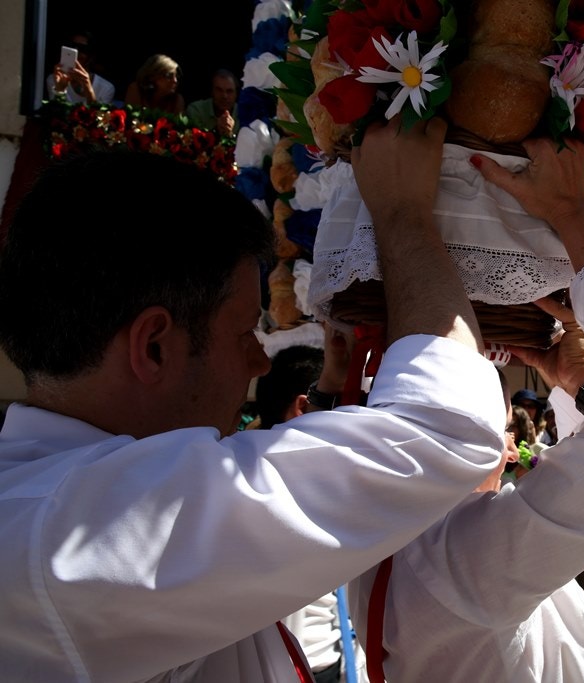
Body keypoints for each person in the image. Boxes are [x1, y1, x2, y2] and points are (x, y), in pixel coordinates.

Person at [0, 116, 508, 680]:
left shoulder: (49, 504)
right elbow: (446, 431)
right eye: (244, 332)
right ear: (154, 347)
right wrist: (403, 215)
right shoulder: (78, 529)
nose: (259, 362)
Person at [345, 133, 584, 682]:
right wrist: (573, 217)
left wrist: (574, 385)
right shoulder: (463, 560)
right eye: (506, 425)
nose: (514, 451)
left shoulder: (394, 535)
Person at [254, 341, 367, 683]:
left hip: (327, 661)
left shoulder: (238, 472)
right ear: (304, 406)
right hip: (307, 667)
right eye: (342, 406)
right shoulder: (282, 482)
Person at [46, 30, 115, 105]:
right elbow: (55, 113)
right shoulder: (55, 79)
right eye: (72, 47)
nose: (76, 52)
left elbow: (98, 115)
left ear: (91, 56)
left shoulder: (106, 88)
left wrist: (88, 89)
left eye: (82, 48)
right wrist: (60, 89)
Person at [185, 68, 240, 138]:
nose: (224, 96)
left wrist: (230, 135)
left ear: (236, 94)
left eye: (229, 91)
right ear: (212, 91)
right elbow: (194, 142)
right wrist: (216, 131)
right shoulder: (196, 110)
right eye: (219, 90)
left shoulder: (246, 114)